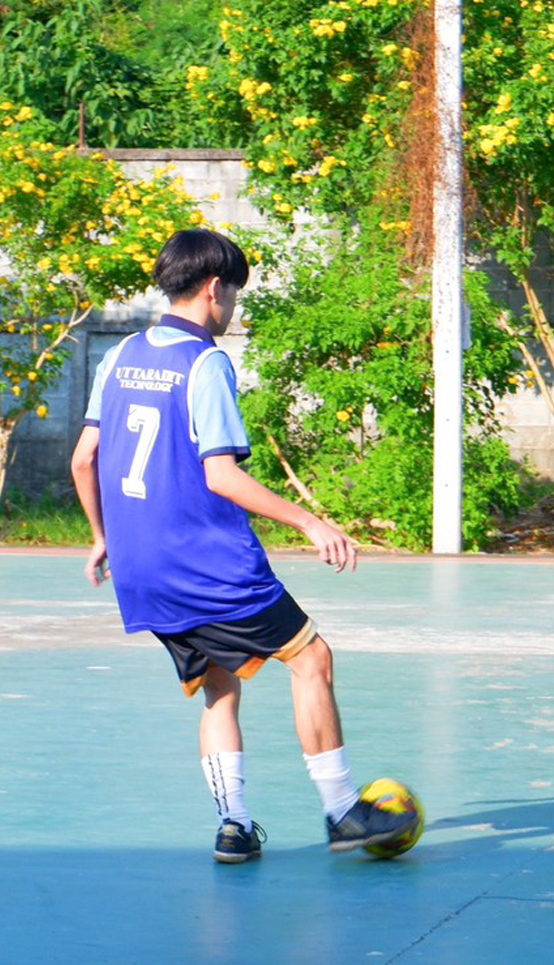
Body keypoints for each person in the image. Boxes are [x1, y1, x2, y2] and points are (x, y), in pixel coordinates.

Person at [69, 227, 418, 864]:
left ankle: (234, 826)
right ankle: (342, 812)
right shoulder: (205, 363)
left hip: (143, 569)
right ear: (213, 289)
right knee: (312, 659)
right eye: (235, 295)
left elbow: (84, 459)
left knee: (220, 686)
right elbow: (220, 474)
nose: (235, 309)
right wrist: (311, 522)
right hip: (206, 563)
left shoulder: (119, 356)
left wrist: (101, 536)